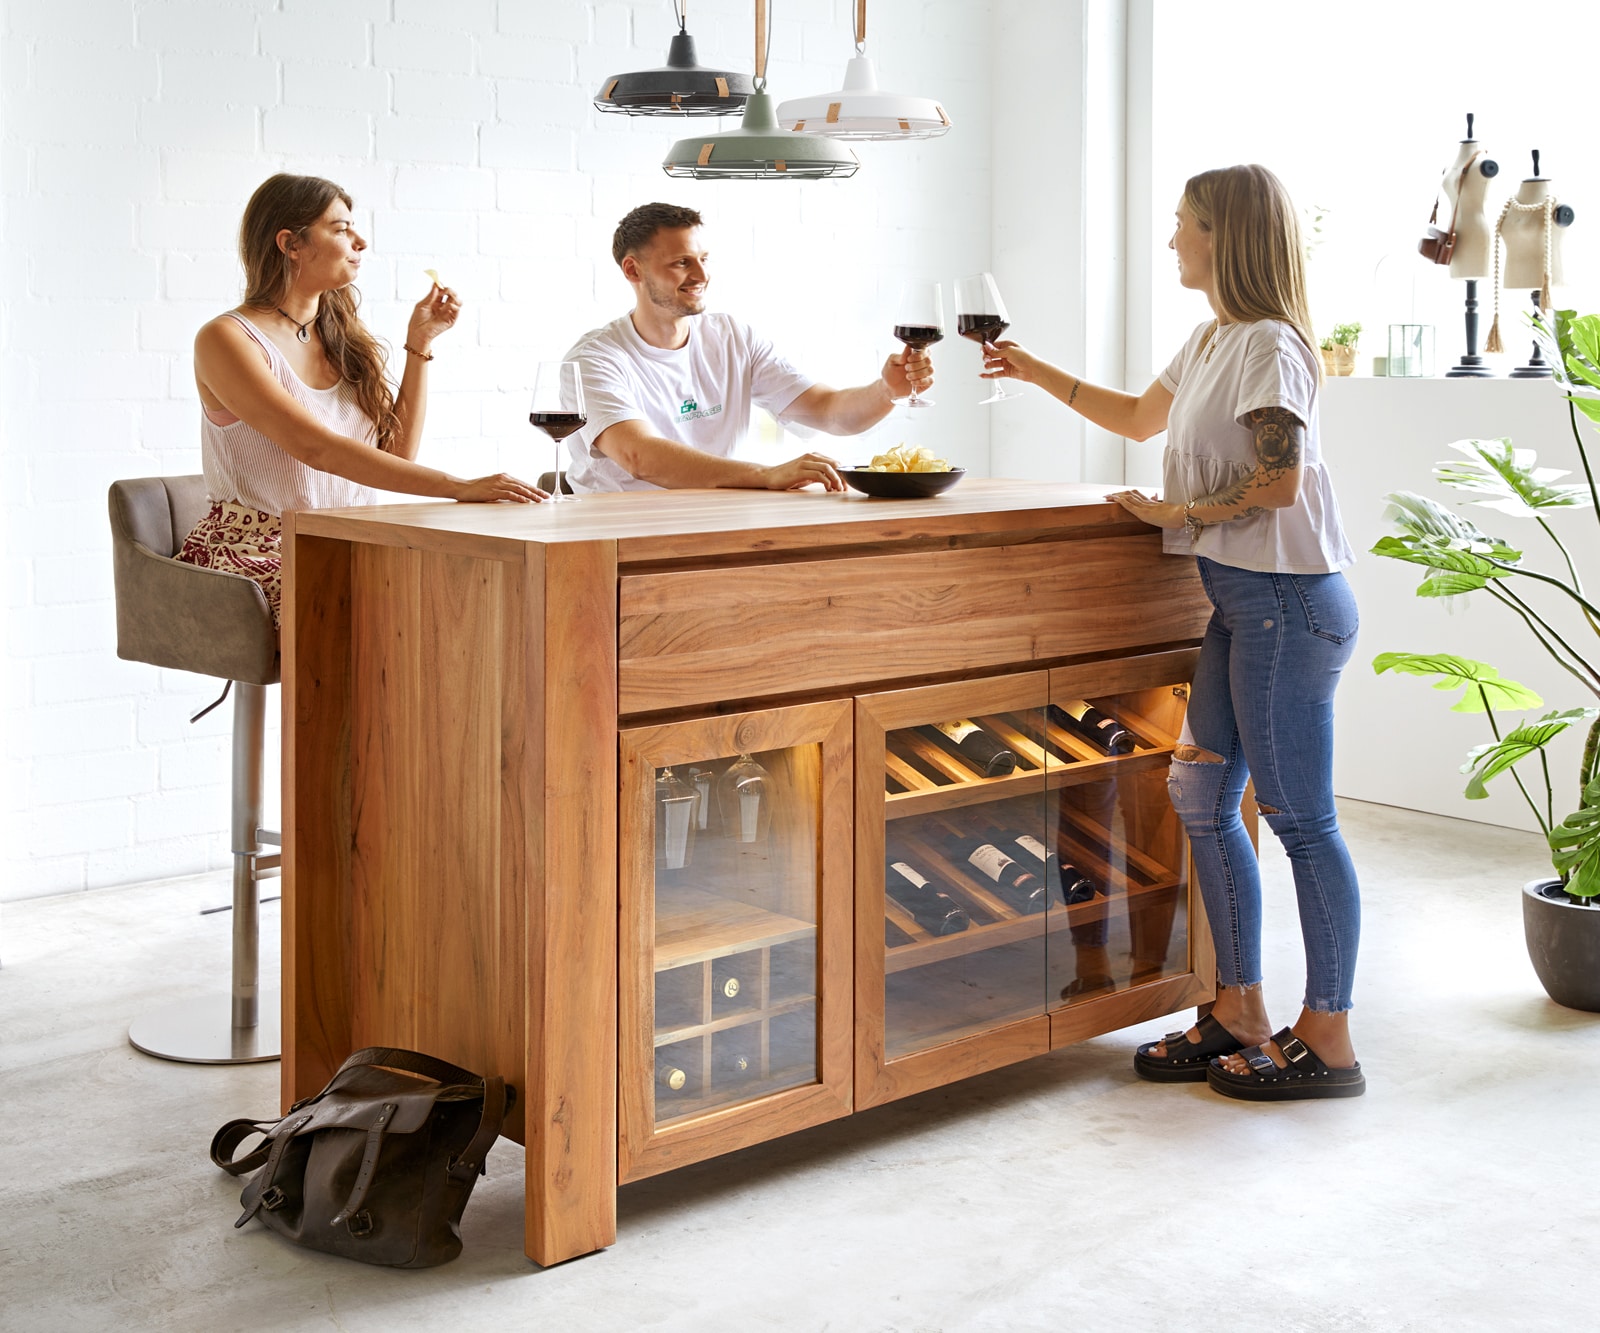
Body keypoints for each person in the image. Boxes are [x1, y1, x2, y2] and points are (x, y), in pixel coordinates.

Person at [983, 164, 1365, 1101]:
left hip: (1288, 602)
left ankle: (1330, 1035)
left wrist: (1178, 514)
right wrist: (1031, 371)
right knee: (1198, 795)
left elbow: (1278, 483)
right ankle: (1239, 1005)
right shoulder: (1209, 341)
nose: (1171, 240)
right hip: (1243, 604)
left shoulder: (1272, 345)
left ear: (1223, 235)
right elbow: (1135, 415)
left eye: (1184, 223)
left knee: (1299, 819)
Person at [181, 173, 543, 626]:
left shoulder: (339, 338)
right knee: (398, 613)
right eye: (340, 229)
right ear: (291, 244)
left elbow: (395, 455)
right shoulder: (227, 339)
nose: (361, 241)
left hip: (346, 541)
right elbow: (317, 449)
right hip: (256, 552)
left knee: (473, 593)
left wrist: (420, 343)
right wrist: (457, 487)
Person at [561, 202, 934, 494]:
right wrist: (767, 474)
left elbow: (828, 412)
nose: (702, 276)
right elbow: (639, 456)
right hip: (614, 535)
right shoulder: (594, 360)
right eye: (681, 263)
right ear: (633, 271)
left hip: (716, 520)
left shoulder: (732, 337)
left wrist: (886, 391)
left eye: (703, 260)